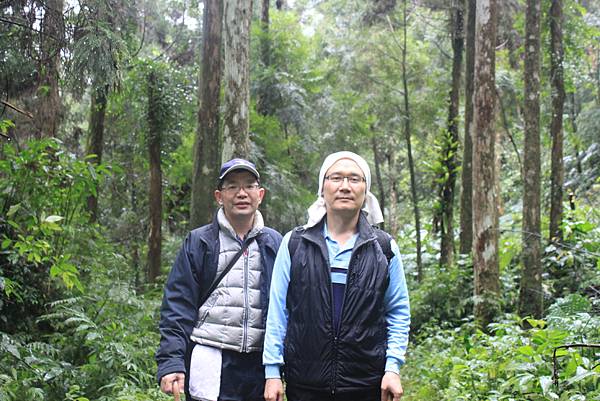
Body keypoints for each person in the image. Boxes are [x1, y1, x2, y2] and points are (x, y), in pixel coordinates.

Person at [263, 151, 410, 401]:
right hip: (305, 384)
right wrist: (272, 372)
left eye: (354, 179)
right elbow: (278, 312)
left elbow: (398, 312)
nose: (344, 186)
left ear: (366, 190)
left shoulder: (384, 249)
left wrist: (392, 368)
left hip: (365, 384)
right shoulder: (295, 244)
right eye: (336, 178)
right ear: (323, 188)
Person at [156, 158, 282, 401]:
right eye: (232, 186)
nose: (242, 193)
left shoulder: (275, 243)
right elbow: (177, 307)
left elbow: (287, 309)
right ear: (219, 196)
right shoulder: (200, 242)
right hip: (210, 358)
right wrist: (171, 362)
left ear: (261, 194)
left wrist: (280, 368)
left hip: (259, 365)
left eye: (249, 186)